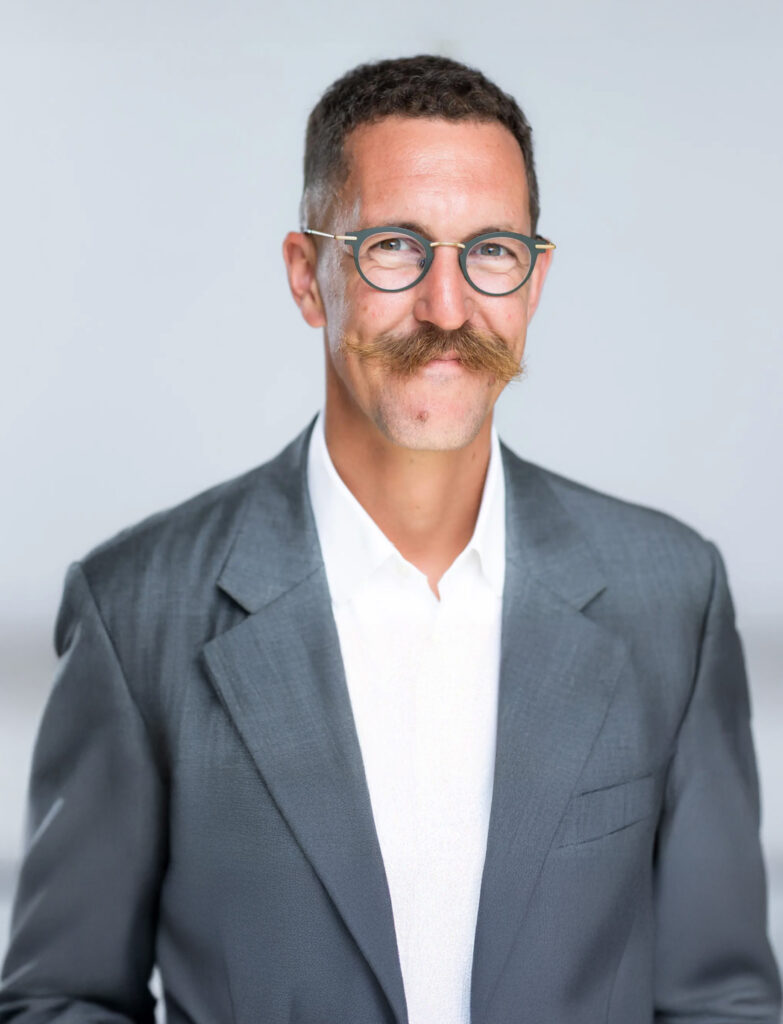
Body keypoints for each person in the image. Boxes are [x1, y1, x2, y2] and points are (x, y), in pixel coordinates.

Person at [1, 54, 780, 1024]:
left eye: (490, 250)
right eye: (395, 248)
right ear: (308, 277)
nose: (447, 308)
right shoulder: (137, 612)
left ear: (535, 281)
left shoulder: (669, 597)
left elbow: (720, 1000)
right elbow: (60, 999)